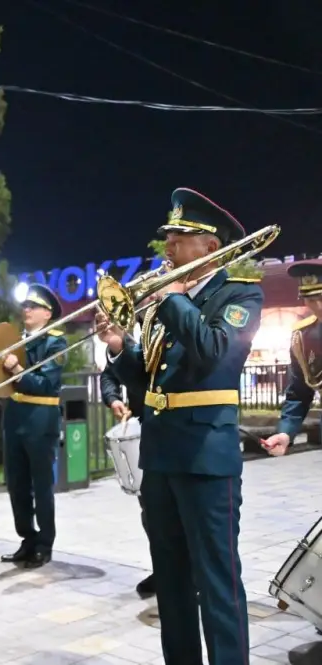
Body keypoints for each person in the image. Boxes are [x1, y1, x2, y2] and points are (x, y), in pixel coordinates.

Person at [99, 187, 261, 665]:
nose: (168, 246)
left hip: (206, 459)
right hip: (162, 458)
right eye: (169, 236)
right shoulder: (166, 306)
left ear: (210, 248)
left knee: (217, 581)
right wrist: (117, 345)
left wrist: (172, 297)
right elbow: (145, 378)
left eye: (179, 237)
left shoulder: (240, 294)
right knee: (170, 581)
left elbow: (214, 353)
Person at [0, 284, 67, 569]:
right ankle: (27, 539)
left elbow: (46, 385)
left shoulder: (55, 343)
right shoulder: (16, 341)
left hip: (40, 419)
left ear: (47, 313)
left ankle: (44, 543)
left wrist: (16, 370)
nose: (26, 310)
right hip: (14, 416)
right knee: (16, 484)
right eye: (25, 305)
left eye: (33, 306)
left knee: (41, 486)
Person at [99, 360, 154, 597]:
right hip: (143, 428)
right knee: (150, 510)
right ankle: (163, 569)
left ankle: (189, 574)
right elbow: (109, 374)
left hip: (173, 428)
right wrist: (114, 398)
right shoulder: (137, 339)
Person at [263, 259, 322, 457]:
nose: (318, 306)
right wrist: (285, 432)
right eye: (311, 299)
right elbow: (299, 393)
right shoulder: (303, 337)